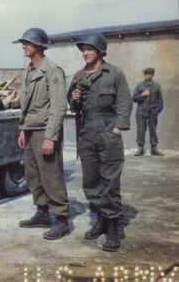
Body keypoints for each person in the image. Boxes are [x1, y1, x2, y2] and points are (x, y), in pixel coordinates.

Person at [67, 33, 132, 252]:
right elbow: (74, 107)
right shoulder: (78, 76)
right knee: (91, 181)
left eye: (90, 49)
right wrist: (74, 99)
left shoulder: (114, 74)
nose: (85, 53)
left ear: (100, 51)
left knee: (110, 181)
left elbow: (124, 101)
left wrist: (117, 128)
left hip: (108, 133)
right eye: (83, 49)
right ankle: (101, 220)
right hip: (86, 134)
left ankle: (113, 227)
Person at [13, 28, 70, 240]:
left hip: (45, 130)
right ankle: (42, 212)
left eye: (28, 43)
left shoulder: (52, 71)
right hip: (30, 130)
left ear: (39, 46)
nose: (24, 46)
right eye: (24, 43)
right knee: (33, 175)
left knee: (51, 175)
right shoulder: (28, 70)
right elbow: (25, 105)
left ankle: (62, 219)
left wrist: (50, 137)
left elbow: (58, 107)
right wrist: (22, 128)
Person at [133, 67, 164, 156]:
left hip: (152, 112)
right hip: (141, 112)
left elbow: (160, 101)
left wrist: (156, 111)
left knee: (153, 130)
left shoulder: (157, 86)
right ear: (144, 75)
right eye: (146, 74)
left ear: (152, 75)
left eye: (149, 74)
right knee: (141, 130)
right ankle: (140, 148)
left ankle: (154, 149)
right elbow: (134, 98)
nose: (147, 76)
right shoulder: (139, 86)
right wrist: (142, 95)